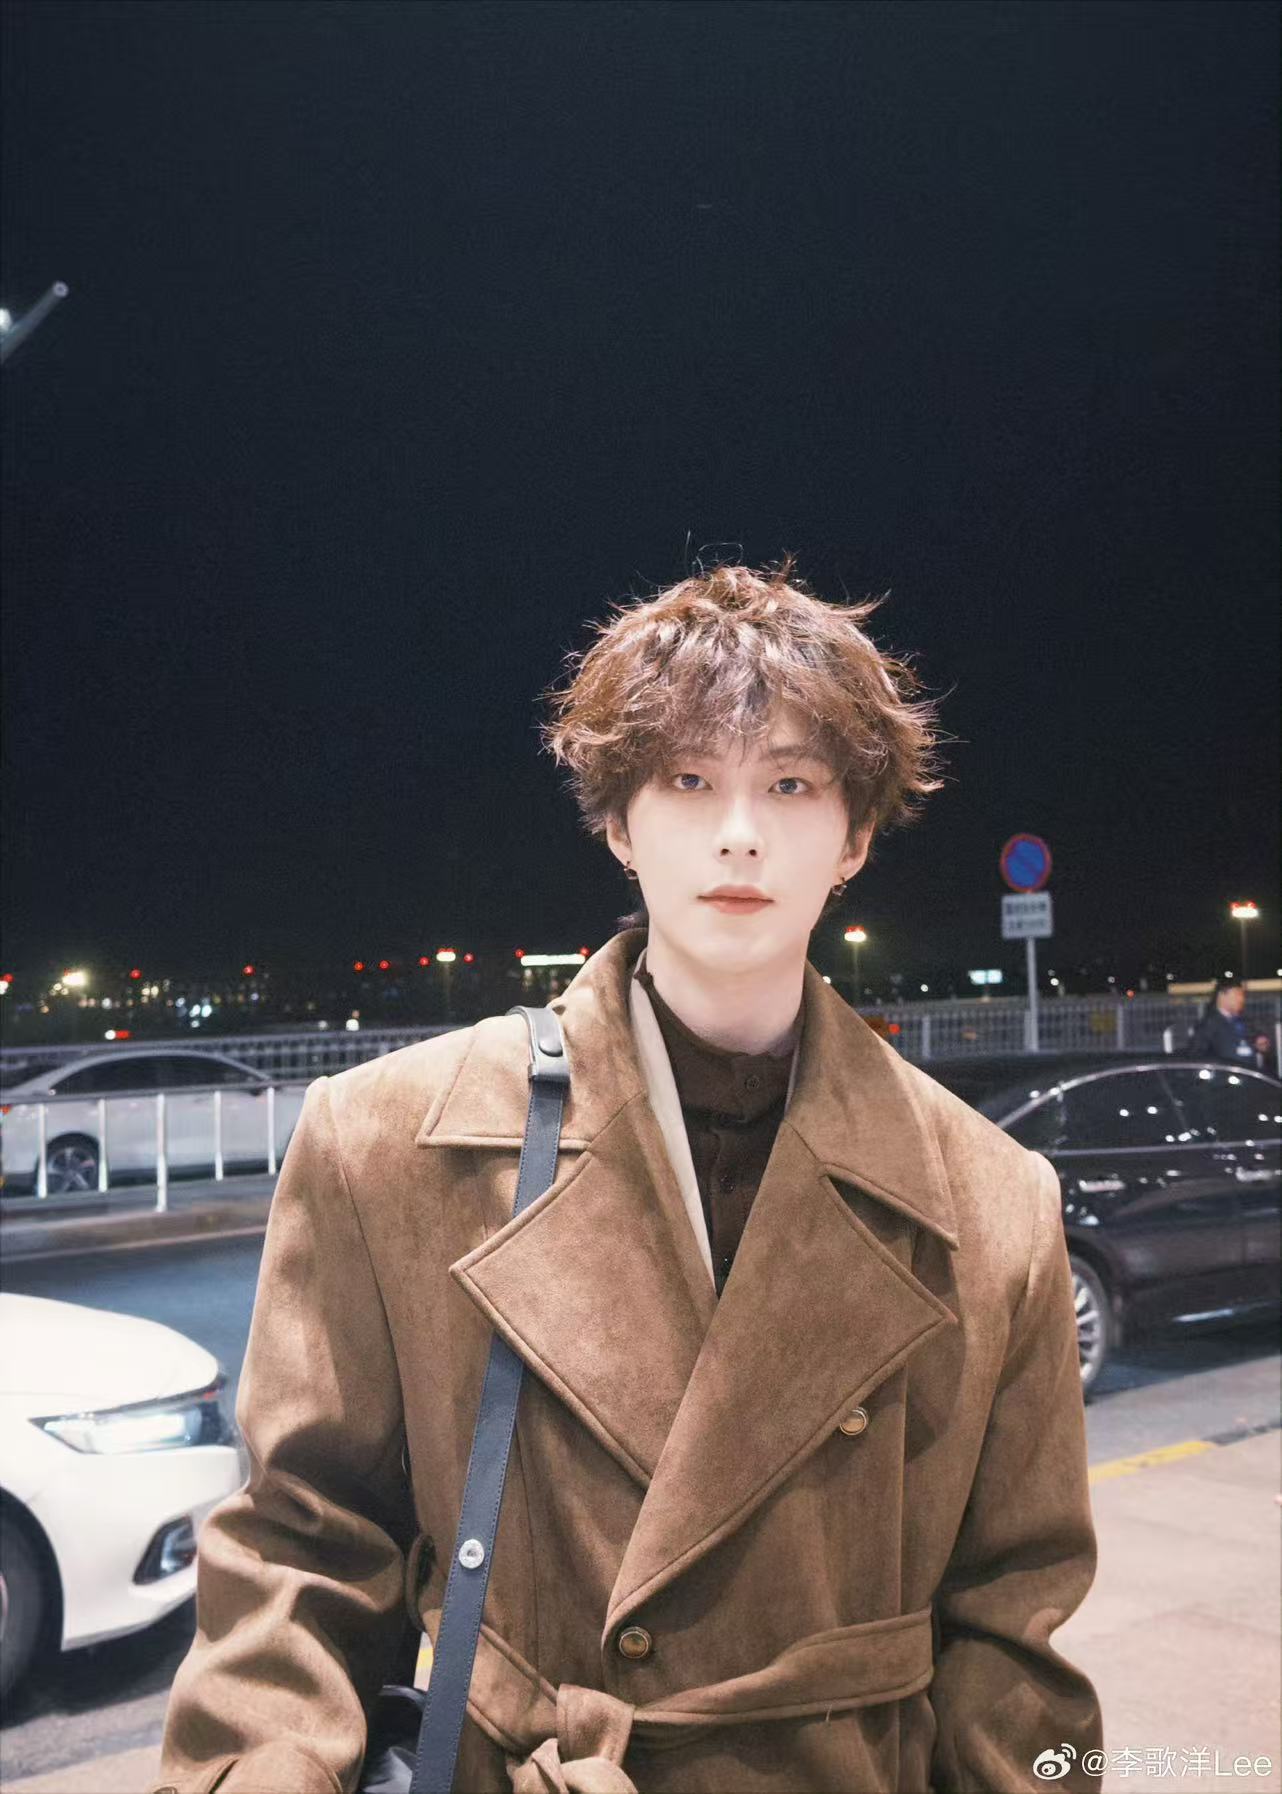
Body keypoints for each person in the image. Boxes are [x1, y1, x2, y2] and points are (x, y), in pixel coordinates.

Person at [152, 558, 1104, 1794]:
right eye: (688, 779)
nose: (739, 831)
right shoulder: (386, 1143)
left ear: (856, 836)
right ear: (617, 821)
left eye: (792, 783)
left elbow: (1012, 1631)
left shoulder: (993, 1201)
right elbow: (302, 1548)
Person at [1185, 975, 1260, 1067]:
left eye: (1242, 995)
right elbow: (1196, 1055)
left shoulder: (1244, 1021)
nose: (1241, 999)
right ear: (1222, 995)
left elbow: (1256, 1039)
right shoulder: (1208, 1024)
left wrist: (1260, 1042)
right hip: (1224, 1074)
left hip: (1247, 1073)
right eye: (1237, 995)